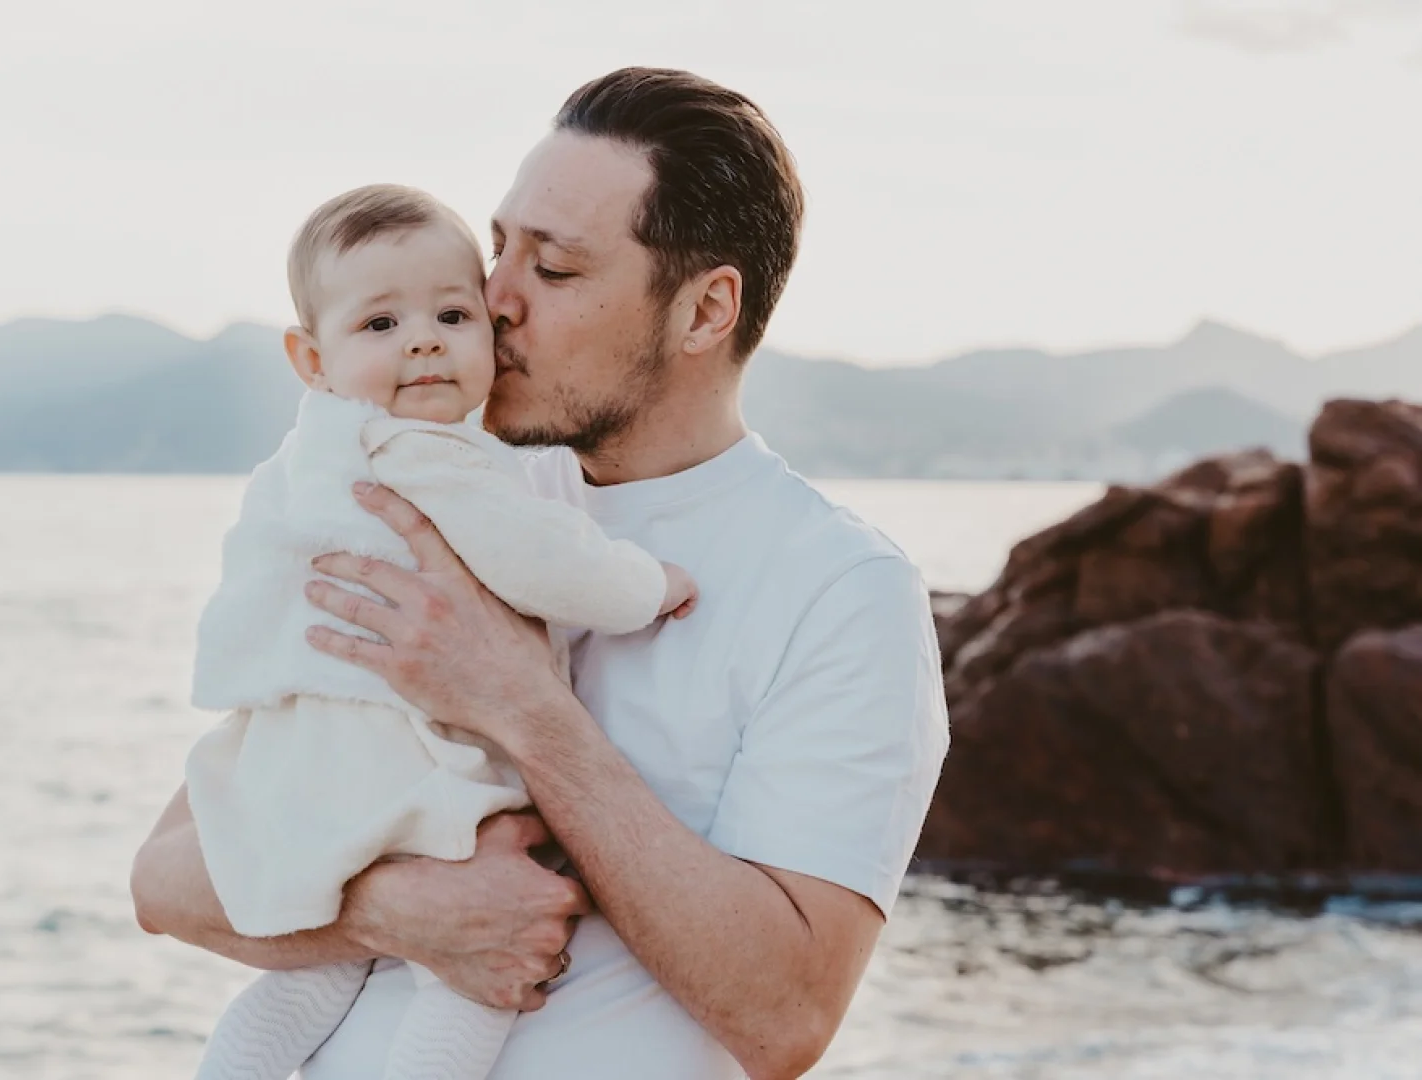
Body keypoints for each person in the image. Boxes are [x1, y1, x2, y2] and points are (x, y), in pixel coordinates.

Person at [132, 66, 950, 1080]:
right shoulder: (425, 490)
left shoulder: (838, 589)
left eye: (553, 270)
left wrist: (524, 707)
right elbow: (165, 878)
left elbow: (783, 1016)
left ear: (703, 312)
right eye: (497, 249)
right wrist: (401, 909)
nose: (494, 300)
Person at [182, 183, 697, 1080]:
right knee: (475, 981)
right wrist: (649, 587)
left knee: (314, 974)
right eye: (379, 326)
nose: (421, 339)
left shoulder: (300, 458)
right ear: (312, 357)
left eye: (451, 314)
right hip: (408, 765)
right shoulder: (422, 455)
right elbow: (545, 559)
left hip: (308, 768)